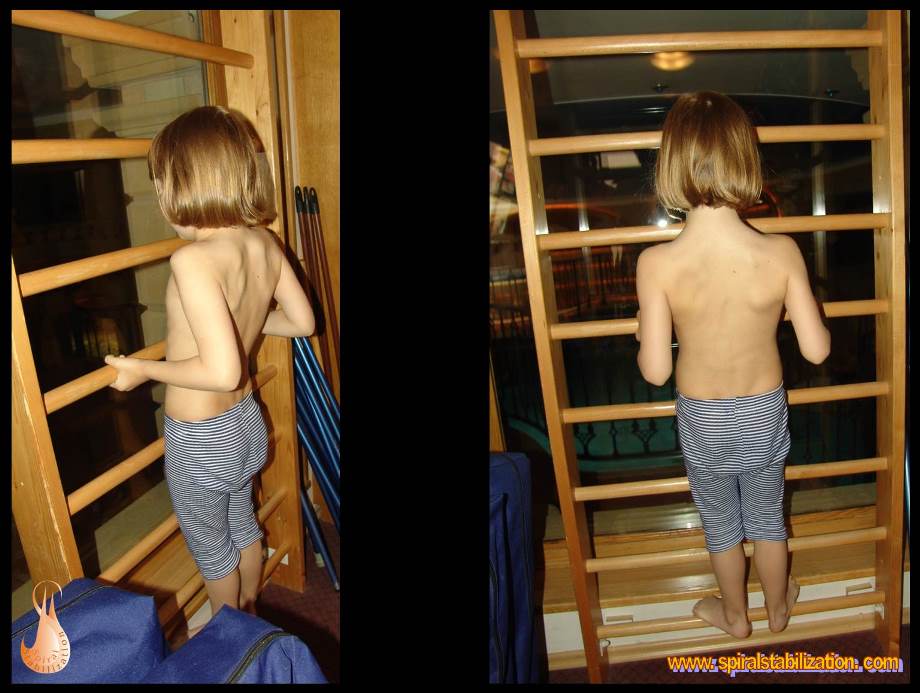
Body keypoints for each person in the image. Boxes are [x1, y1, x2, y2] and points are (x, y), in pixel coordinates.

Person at [104, 105, 315, 638]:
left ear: (185, 185)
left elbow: (221, 371)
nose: (160, 196)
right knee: (242, 521)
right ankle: (251, 614)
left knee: (210, 545)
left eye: (162, 182)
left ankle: (229, 637)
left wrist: (142, 368)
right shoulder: (263, 241)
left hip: (200, 440)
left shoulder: (192, 260)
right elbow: (302, 321)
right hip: (245, 426)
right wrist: (245, 323)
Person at [635, 92, 830, 638]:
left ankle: (735, 616)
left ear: (671, 165)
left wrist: (643, 333)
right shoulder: (782, 252)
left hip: (702, 415)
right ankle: (778, 608)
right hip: (763, 408)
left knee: (720, 521)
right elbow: (816, 350)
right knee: (767, 515)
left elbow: (655, 370)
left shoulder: (657, 264)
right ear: (746, 160)